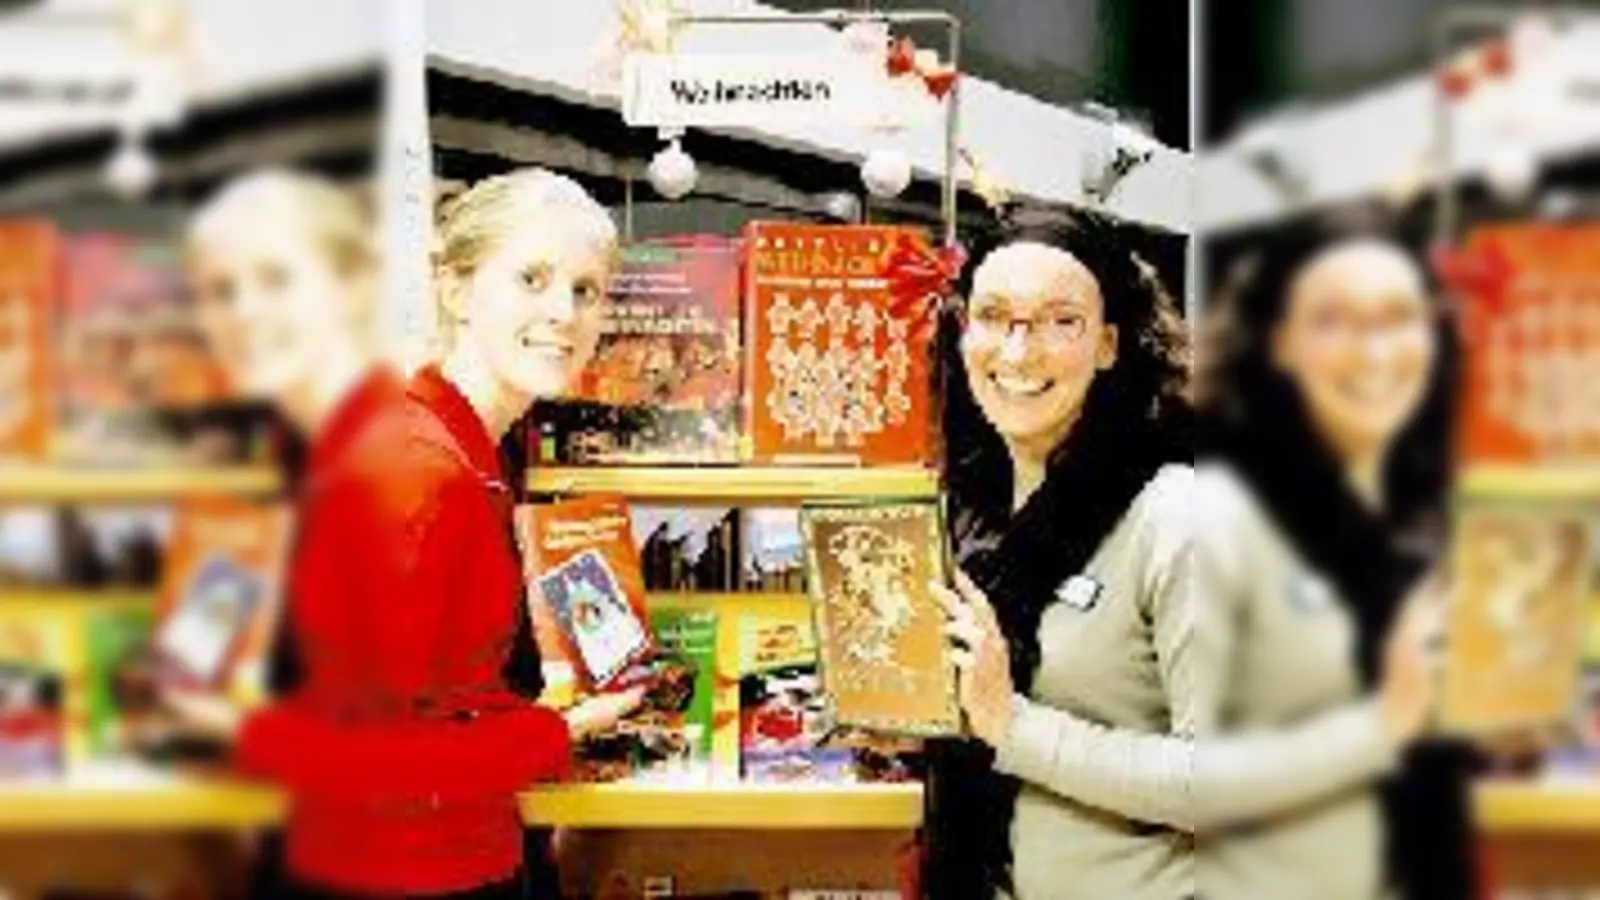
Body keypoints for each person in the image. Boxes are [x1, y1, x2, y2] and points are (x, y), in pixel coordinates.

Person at [166, 168, 637, 899]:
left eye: (586, 290)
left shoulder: (473, 447)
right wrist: (554, 731)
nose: (564, 314)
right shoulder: (422, 472)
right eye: (532, 278)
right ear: (455, 290)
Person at [1191, 222, 1474, 899]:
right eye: (1334, 321)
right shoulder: (1221, 514)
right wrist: (1383, 724)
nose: (1373, 351)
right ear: (1281, 342)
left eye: (1397, 318)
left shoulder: (1426, 511)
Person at [923, 209, 1195, 900]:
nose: (1017, 353)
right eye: (994, 316)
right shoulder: (974, 510)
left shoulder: (1175, 515)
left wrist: (1009, 722)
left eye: (1059, 321)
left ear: (1109, 343)